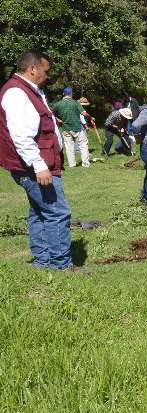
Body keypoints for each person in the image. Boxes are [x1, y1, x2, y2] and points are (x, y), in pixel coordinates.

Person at [0, 50, 73, 270]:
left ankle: (43, 261)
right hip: (34, 167)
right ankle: (60, 264)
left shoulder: (32, 91)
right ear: (33, 69)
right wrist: (39, 165)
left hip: (38, 164)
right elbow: (21, 135)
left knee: (40, 212)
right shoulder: (16, 93)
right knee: (58, 212)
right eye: (45, 70)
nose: (47, 75)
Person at [51, 86, 93, 168]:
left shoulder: (58, 104)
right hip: (77, 127)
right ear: (71, 94)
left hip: (66, 128)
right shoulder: (75, 103)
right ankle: (85, 163)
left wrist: (57, 119)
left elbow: (50, 112)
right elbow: (84, 114)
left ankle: (72, 164)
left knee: (69, 147)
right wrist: (91, 117)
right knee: (83, 145)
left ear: (63, 94)